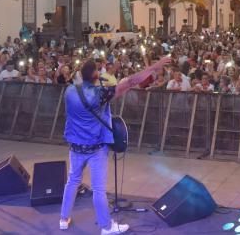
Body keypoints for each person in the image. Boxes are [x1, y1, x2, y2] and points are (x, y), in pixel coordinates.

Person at [59, 56, 170, 234]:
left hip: (76, 146)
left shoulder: (70, 91)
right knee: (98, 189)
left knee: (72, 181)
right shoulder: (100, 95)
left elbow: (79, 79)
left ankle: (63, 219)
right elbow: (131, 81)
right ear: (95, 75)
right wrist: (153, 68)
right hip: (96, 147)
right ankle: (106, 227)